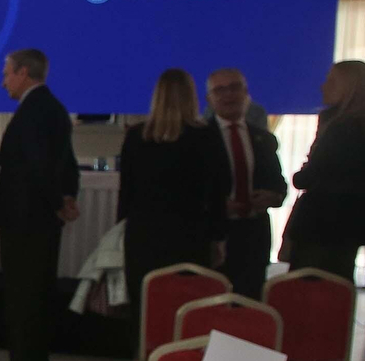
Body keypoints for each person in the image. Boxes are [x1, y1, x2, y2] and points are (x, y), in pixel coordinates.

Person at [0, 48, 80, 361]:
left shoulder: (35, 110)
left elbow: (39, 167)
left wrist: (57, 201)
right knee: (35, 298)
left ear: (23, 72)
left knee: (24, 301)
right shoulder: (51, 108)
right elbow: (64, 163)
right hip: (38, 221)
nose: (3, 79)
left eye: (7, 72)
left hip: (27, 223)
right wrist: (66, 197)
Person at [117, 69, 229, 315]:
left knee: (146, 307)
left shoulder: (136, 137)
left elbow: (126, 192)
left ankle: (144, 352)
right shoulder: (207, 136)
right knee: (185, 307)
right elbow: (220, 190)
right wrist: (218, 236)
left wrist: (123, 230)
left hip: (143, 234)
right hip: (190, 234)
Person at [205, 67, 286, 299]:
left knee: (249, 303)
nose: (228, 95)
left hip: (254, 234)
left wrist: (273, 197)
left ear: (246, 93)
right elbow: (189, 189)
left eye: (234, 88)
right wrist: (219, 205)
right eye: (220, 90)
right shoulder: (200, 139)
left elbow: (279, 185)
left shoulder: (264, 139)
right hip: (215, 236)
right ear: (209, 98)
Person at [284, 60, 365, 282]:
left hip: (322, 227)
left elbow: (309, 176)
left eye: (331, 81)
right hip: (349, 229)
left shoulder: (342, 129)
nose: (322, 86)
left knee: (310, 295)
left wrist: (301, 174)